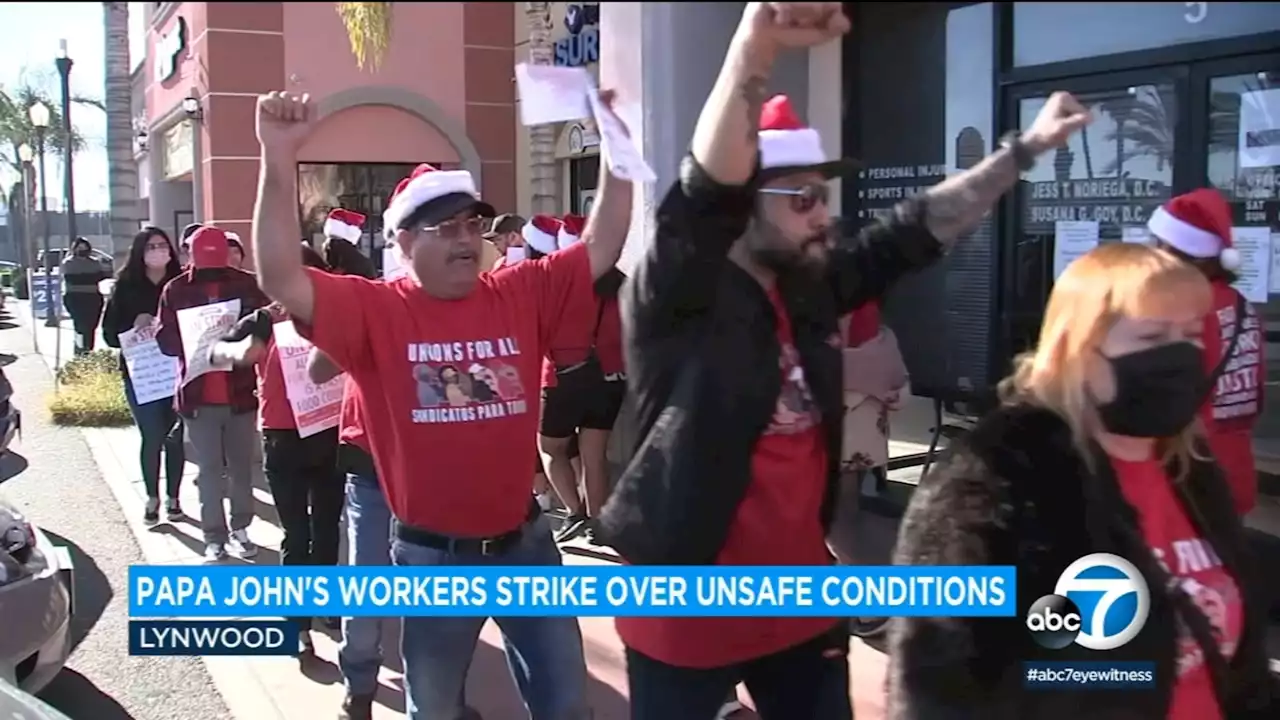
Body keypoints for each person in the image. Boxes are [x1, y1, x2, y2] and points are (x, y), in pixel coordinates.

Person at [596, 4, 1092, 717]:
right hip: (686, 614)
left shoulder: (811, 287)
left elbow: (915, 228)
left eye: (822, 195)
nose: (823, 213)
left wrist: (1023, 151)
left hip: (802, 607)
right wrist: (754, 43)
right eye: (801, 197)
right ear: (745, 206)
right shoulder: (679, 295)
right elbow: (705, 191)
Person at [250, 87, 632, 719]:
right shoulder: (375, 311)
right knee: (435, 710)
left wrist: (617, 148)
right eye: (444, 226)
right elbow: (278, 276)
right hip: (434, 559)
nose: (465, 238)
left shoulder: (519, 291)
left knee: (567, 706)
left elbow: (604, 243)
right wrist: (278, 154)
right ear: (402, 243)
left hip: (526, 545)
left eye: (473, 224)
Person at [888, 243, 1278, 719]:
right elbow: (937, 674)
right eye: (1153, 336)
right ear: (1080, 351)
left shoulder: (1189, 469)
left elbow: (1243, 668)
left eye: (1191, 335)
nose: (1179, 356)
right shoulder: (998, 475)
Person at [211, 243, 343, 657]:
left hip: (329, 433)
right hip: (283, 438)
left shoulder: (334, 318)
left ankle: (326, 604)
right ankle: (297, 625)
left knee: (327, 528)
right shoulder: (264, 321)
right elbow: (217, 352)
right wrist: (243, 351)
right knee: (296, 534)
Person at [1147, 189, 1265, 517]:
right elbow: (1254, 393)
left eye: (1161, 244)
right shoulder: (1241, 305)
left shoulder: (1183, 307)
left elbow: (1163, 396)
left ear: (1192, 254)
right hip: (1235, 467)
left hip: (1188, 472)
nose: (1153, 253)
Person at [155, 225, 270, 562]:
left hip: (240, 392)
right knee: (208, 470)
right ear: (190, 254)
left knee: (241, 468)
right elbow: (165, 341)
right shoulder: (175, 289)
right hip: (198, 394)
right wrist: (196, 341)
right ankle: (214, 536)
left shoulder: (247, 284)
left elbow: (265, 328)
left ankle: (241, 528)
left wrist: (242, 335)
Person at [541, 213, 628, 545]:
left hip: (563, 376)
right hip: (610, 378)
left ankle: (574, 512)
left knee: (551, 449)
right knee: (595, 457)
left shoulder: (559, 286)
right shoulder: (621, 284)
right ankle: (598, 524)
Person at [102, 227, 186, 525]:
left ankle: (174, 498)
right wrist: (132, 324)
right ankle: (152, 497)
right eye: (151, 247)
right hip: (142, 376)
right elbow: (109, 335)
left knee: (175, 437)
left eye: (163, 246)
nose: (158, 251)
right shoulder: (125, 287)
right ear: (140, 252)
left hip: (176, 374)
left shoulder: (181, 283)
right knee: (152, 436)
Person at [60, 237, 109, 354]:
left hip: (93, 298)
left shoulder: (94, 262)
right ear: (74, 249)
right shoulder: (68, 263)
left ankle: (89, 349)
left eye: (85, 248)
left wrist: (86, 277)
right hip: (75, 298)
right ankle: (79, 350)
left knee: (91, 326)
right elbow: (72, 279)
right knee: (80, 327)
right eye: (80, 248)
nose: (82, 250)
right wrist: (88, 278)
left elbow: (98, 277)